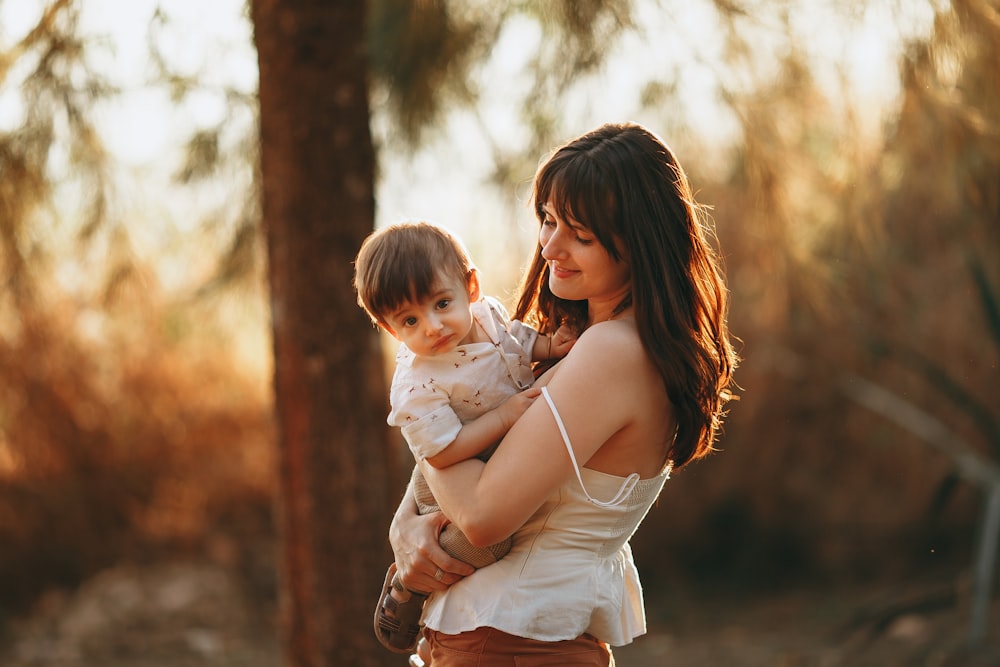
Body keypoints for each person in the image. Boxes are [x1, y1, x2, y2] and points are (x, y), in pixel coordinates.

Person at [385, 122, 739, 666]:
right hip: (511, 639)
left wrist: (419, 414)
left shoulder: (612, 353)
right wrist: (405, 527)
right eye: (548, 221)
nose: (550, 246)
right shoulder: (600, 345)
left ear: (638, 244)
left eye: (581, 235)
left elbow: (480, 515)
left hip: (509, 643)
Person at [353, 221, 578, 655]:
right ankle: (410, 585)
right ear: (388, 328)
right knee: (491, 540)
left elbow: (516, 341)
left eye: (441, 303)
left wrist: (549, 347)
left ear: (470, 286)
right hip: (449, 462)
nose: (433, 327)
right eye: (410, 320)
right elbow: (440, 456)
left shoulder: (487, 315)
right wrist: (503, 418)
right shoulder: (417, 384)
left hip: (486, 453)